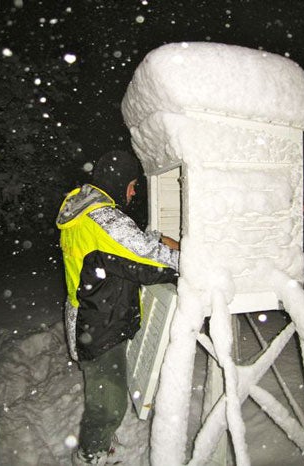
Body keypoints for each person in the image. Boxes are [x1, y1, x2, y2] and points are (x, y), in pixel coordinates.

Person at [56, 150, 179, 465]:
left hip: (91, 316)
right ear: (119, 181)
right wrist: (190, 259)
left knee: (103, 395)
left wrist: (156, 237)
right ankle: (90, 456)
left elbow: (118, 246)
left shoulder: (84, 210)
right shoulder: (103, 217)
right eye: (133, 184)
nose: (134, 191)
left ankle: (96, 447)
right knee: (108, 403)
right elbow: (145, 261)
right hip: (99, 324)